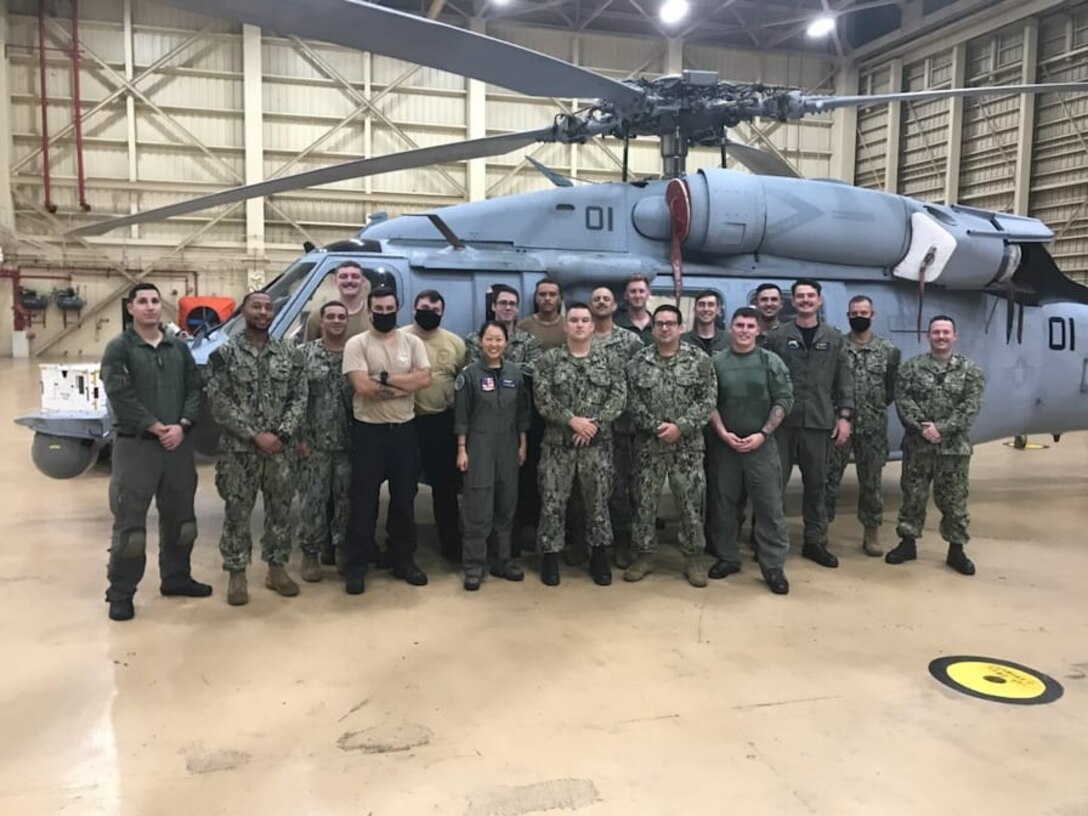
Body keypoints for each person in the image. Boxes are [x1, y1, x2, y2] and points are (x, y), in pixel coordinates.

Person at [100, 282, 211, 621]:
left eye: (154, 301)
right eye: (142, 301)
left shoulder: (178, 349)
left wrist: (182, 424)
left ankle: (176, 578)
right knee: (130, 527)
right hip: (137, 448)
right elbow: (119, 394)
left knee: (182, 521)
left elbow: (196, 388)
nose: (150, 307)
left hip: (177, 446)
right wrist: (153, 425)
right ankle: (121, 592)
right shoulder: (120, 348)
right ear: (130, 308)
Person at [206, 291, 308, 606]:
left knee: (280, 511)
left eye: (268, 307)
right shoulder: (224, 354)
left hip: (281, 449)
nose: (263, 311)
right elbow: (218, 400)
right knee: (237, 512)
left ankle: (276, 568)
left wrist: (281, 434)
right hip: (239, 451)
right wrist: (254, 435)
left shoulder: (290, 354)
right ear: (243, 312)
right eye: (256, 306)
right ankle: (237, 574)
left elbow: (299, 397)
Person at [341, 287, 432, 595]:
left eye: (389, 307)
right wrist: (400, 385)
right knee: (363, 502)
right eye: (378, 308)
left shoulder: (413, 342)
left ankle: (402, 558)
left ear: (398, 309)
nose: (383, 312)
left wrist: (383, 378)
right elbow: (362, 386)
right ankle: (357, 564)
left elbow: (423, 380)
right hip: (368, 432)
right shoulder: (357, 343)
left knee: (404, 499)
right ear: (369, 311)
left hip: (404, 431)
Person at [533, 303, 627, 586]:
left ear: (591, 325)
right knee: (552, 502)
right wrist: (571, 420)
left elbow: (619, 396)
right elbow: (542, 397)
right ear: (565, 326)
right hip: (558, 446)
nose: (579, 324)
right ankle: (550, 557)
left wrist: (592, 424)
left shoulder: (609, 360)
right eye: (573, 320)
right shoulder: (549, 360)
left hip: (597, 446)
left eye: (585, 320)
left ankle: (599, 556)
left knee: (598, 502)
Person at [623, 304, 717, 587]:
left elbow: (708, 400)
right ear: (652, 329)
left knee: (690, 504)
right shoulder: (637, 363)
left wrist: (682, 426)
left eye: (670, 323)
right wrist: (655, 426)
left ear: (680, 327)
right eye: (659, 323)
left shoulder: (699, 360)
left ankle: (693, 558)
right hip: (648, 446)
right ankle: (644, 555)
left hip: (687, 446)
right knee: (644, 502)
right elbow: (631, 401)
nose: (664, 328)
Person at [763, 279, 853, 568]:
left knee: (817, 484)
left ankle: (815, 541)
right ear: (793, 301)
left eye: (809, 296)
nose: (804, 300)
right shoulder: (778, 337)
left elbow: (844, 380)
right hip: (783, 423)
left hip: (819, 420)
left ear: (819, 300)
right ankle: (768, 540)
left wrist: (844, 417)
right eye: (799, 296)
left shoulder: (835, 337)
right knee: (774, 484)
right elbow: (766, 378)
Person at [887, 316, 985, 575]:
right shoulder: (912, 367)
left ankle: (956, 550)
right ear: (928, 336)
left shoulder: (970, 370)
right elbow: (903, 400)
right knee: (913, 497)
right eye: (936, 332)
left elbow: (970, 406)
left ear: (955, 336)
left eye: (945, 332)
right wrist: (923, 427)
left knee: (954, 500)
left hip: (953, 449)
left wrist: (941, 429)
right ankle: (908, 543)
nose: (941, 337)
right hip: (918, 446)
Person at [706, 307, 794, 594]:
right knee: (724, 505)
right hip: (726, 447)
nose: (744, 330)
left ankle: (773, 566)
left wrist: (763, 433)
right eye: (739, 325)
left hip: (761, 447)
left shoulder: (770, 361)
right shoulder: (716, 362)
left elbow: (783, 400)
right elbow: (709, 402)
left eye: (749, 326)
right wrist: (723, 433)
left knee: (769, 507)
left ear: (757, 330)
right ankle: (728, 557)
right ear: (730, 327)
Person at [454, 320, 532, 590]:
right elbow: (461, 416)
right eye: (489, 339)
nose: (494, 344)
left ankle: (502, 561)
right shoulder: (469, 375)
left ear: (506, 343)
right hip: (478, 446)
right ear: (480, 341)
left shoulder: (515, 373)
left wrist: (522, 444)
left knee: (506, 505)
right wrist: (462, 449)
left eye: (499, 339)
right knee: (478, 508)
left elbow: (522, 413)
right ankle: (474, 566)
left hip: (509, 447)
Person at [824, 295, 901, 556]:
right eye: (855, 312)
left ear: (873, 315)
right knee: (829, 479)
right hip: (838, 425)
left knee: (871, 482)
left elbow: (891, 388)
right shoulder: (838, 347)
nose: (859, 316)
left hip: (873, 426)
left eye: (864, 312)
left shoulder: (888, 351)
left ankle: (871, 532)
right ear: (848, 316)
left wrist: (873, 405)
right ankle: (821, 529)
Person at [403, 290, 465, 562]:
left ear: (442, 312)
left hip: (442, 423)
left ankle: (451, 545)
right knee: (404, 489)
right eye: (424, 307)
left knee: (445, 488)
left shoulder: (455, 343)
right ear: (414, 309)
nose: (429, 312)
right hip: (406, 423)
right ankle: (401, 548)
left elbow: (464, 383)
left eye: (435, 308)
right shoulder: (399, 338)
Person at [296, 301, 353, 582]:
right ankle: (310, 553)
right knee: (312, 501)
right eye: (330, 316)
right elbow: (295, 400)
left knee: (345, 500)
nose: (336, 321)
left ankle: (341, 549)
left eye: (341, 316)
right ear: (321, 321)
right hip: (314, 443)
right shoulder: (304, 354)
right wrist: (299, 437)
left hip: (348, 443)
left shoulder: (357, 354)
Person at [589, 286, 643, 567]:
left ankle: (622, 542)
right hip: (587, 430)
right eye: (596, 299)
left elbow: (639, 382)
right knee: (587, 489)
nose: (601, 302)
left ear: (614, 306)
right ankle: (589, 543)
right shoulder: (580, 337)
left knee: (621, 487)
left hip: (622, 428)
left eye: (606, 299)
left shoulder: (630, 341)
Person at [464, 284, 542, 374]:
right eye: (503, 303)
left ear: (517, 309)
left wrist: (495, 366)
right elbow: (473, 370)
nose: (508, 308)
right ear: (493, 306)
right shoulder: (475, 339)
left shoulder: (529, 341)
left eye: (512, 304)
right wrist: (517, 367)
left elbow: (535, 369)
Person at [304, 261, 371, 341]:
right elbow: (308, 350)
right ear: (335, 281)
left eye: (355, 276)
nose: (349, 280)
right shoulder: (317, 316)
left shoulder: (374, 315)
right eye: (343, 276)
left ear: (363, 281)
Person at [517, 278, 566, 350]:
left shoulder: (569, 326)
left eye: (552, 294)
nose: (547, 298)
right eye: (542, 294)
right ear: (536, 298)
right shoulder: (523, 326)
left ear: (560, 299)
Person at [680, 289, 729, 356]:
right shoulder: (682, 341)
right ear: (694, 310)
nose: (706, 309)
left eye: (710, 305)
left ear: (718, 310)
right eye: (701, 304)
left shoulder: (729, 340)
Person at [615, 273, 654, 344]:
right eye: (633, 291)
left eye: (641, 291)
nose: (637, 295)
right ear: (625, 295)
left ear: (648, 295)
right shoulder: (616, 325)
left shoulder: (658, 325)